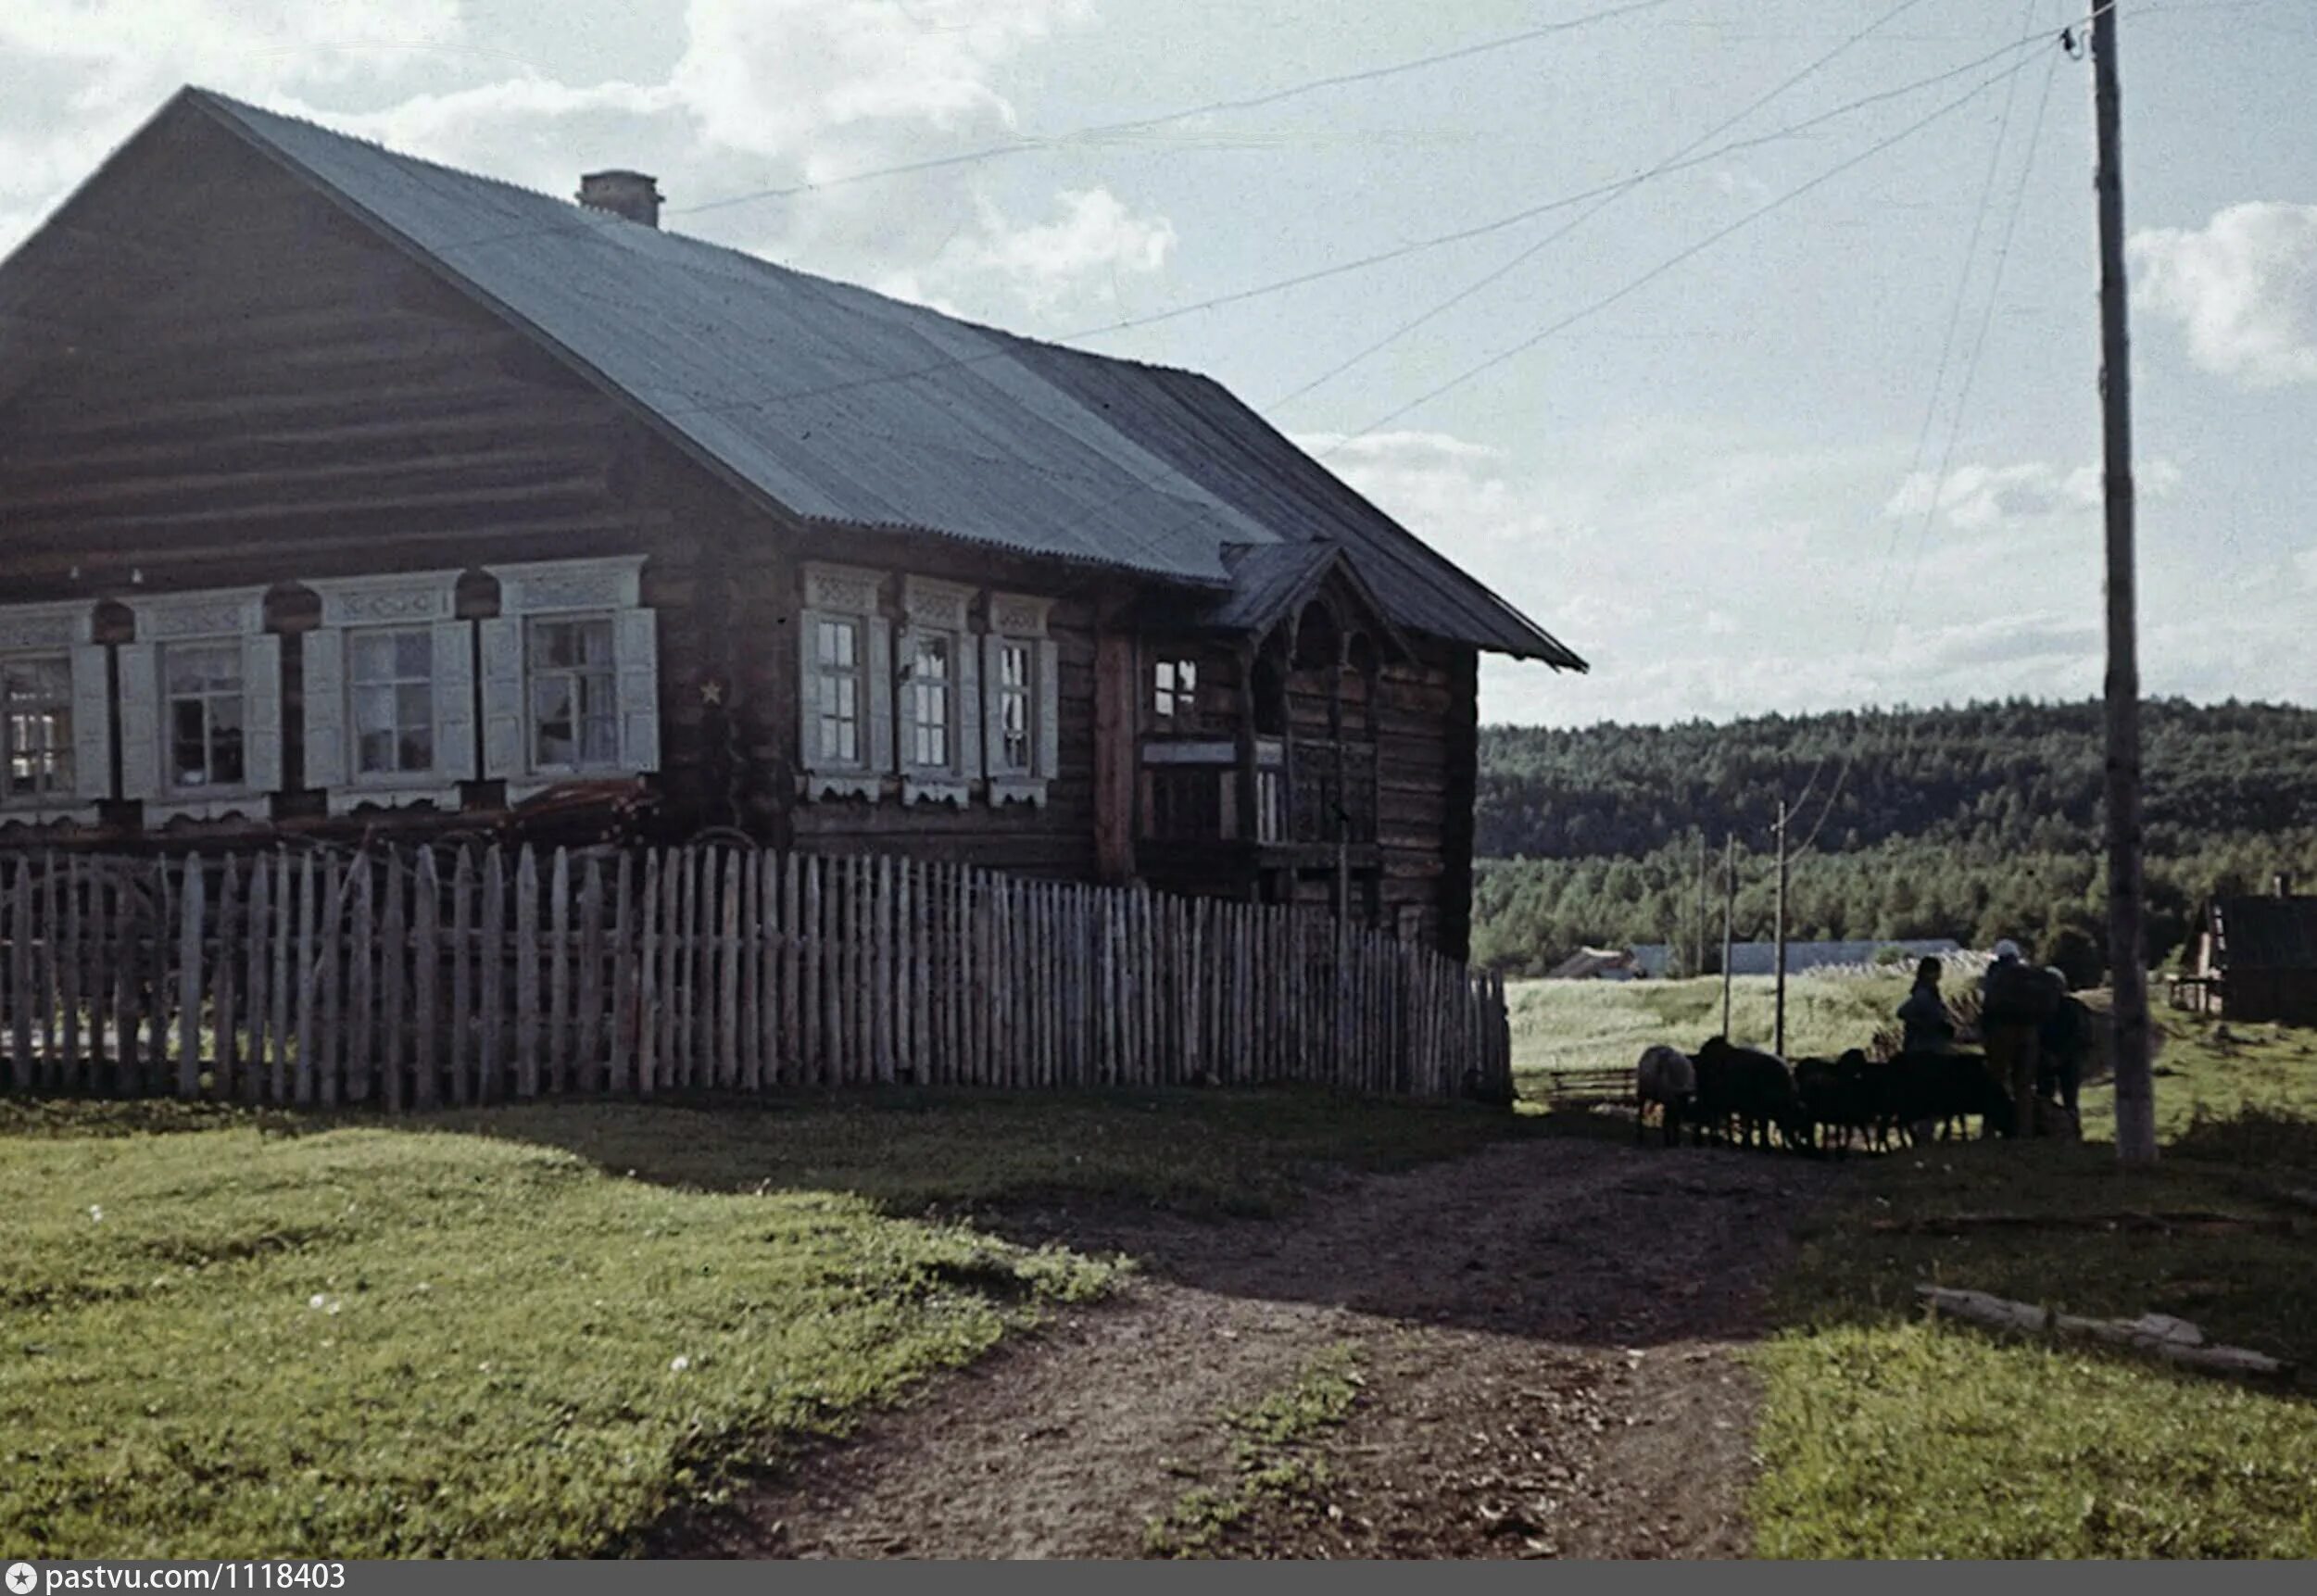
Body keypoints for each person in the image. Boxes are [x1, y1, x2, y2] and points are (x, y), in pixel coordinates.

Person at [1981, 939, 2059, 1136]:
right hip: (2030, 1032)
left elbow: (1988, 1005)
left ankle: (1990, 1130)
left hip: (2001, 1032)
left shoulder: (1996, 975)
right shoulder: (2030, 975)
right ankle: (2024, 1130)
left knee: (1995, 1083)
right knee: (2024, 1084)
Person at [1895, 956, 1956, 1053]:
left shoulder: (1931, 994)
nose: (1934, 975)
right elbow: (1902, 1012)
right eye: (1930, 972)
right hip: (1922, 1049)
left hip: (1931, 1046)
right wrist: (1926, 1025)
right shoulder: (1923, 995)